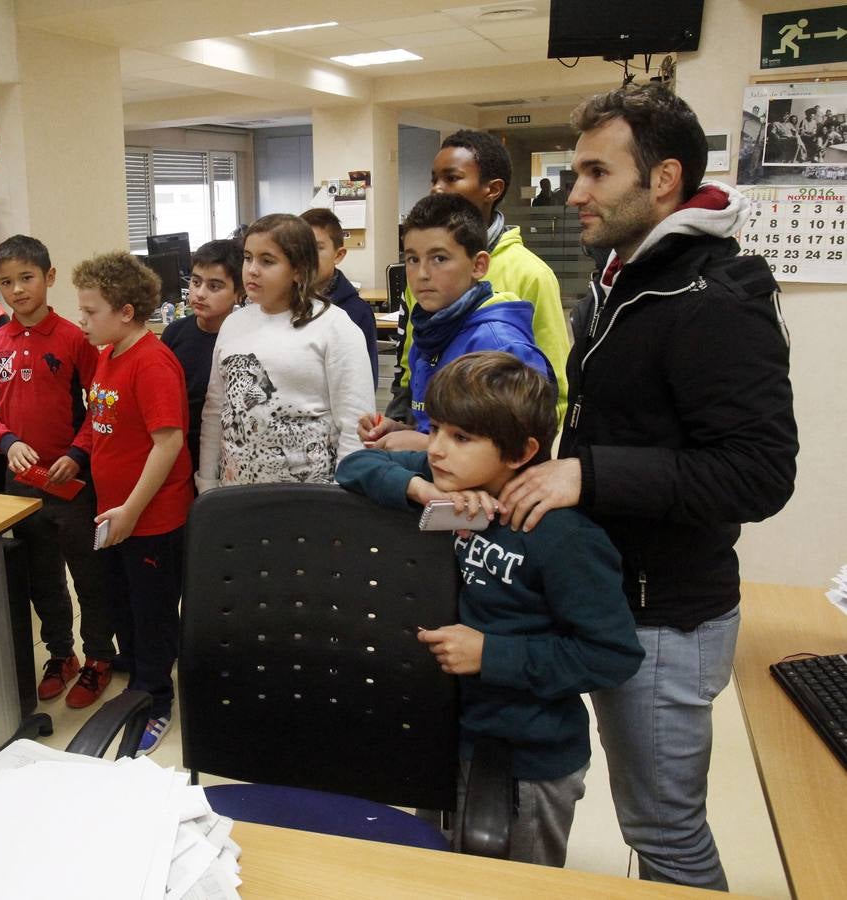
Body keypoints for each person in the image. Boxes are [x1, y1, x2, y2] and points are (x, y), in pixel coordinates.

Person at [496, 84, 798, 889]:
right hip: (605, 593)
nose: (575, 191)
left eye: (596, 172)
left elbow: (759, 474)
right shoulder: (626, 273)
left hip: (661, 619)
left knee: (663, 834)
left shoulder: (712, 299)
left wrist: (587, 473)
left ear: (662, 179)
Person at [336, 351, 643, 867]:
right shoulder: (454, 484)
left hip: (528, 757)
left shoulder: (563, 537)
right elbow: (355, 465)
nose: (435, 449)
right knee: (442, 864)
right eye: (436, 430)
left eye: (461, 438)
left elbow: (612, 655)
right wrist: (417, 489)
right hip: (449, 734)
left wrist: (491, 654)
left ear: (521, 452)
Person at [0, 234, 116, 708]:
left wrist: (77, 452)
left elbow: (101, 406)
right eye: (6, 282)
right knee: (41, 577)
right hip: (22, 487)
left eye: (27, 278)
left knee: (89, 575)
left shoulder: (78, 339)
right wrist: (7, 442)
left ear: (49, 278)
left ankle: (98, 657)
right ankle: (60, 653)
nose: (17, 290)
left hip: (74, 481)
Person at [73, 251, 193, 755]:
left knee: (152, 612)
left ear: (126, 311)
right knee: (122, 604)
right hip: (116, 513)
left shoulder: (152, 362)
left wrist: (131, 511)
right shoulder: (108, 351)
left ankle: (154, 700)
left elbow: (167, 444)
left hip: (150, 518)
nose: (82, 321)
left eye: (91, 311)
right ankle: (138, 678)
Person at [371, 130, 570, 430]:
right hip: (426, 422)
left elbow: (552, 385)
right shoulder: (421, 272)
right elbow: (411, 356)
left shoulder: (531, 273)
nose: (437, 188)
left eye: (451, 178)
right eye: (434, 178)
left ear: (492, 189)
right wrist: (403, 420)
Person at [363, 193, 552, 452]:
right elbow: (435, 427)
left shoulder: (498, 345)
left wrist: (425, 445)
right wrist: (401, 430)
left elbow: (514, 452)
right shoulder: (430, 329)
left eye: (439, 258)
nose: (422, 274)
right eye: (412, 259)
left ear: (478, 265)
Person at [196, 214, 373, 489]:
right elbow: (215, 411)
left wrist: (344, 495)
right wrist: (207, 481)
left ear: (299, 270)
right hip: (237, 492)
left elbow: (355, 424)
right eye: (247, 257)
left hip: (312, 496)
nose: (252, 270)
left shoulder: (335, 326)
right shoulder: (234, 324)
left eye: (267, 261)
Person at [160, 238, 243, 471]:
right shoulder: (174, 333)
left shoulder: (245, 340)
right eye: (196, 282)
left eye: (214, 286)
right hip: (178, 448)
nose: (200, 293)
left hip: (226, 453)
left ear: (239, 293)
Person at [299, 208, 379, 383]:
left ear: (338, 254)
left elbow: (365, 382)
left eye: (318, 248)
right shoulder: (283, 305)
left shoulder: (357, 312)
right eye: (301, 248)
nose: (307, 257)